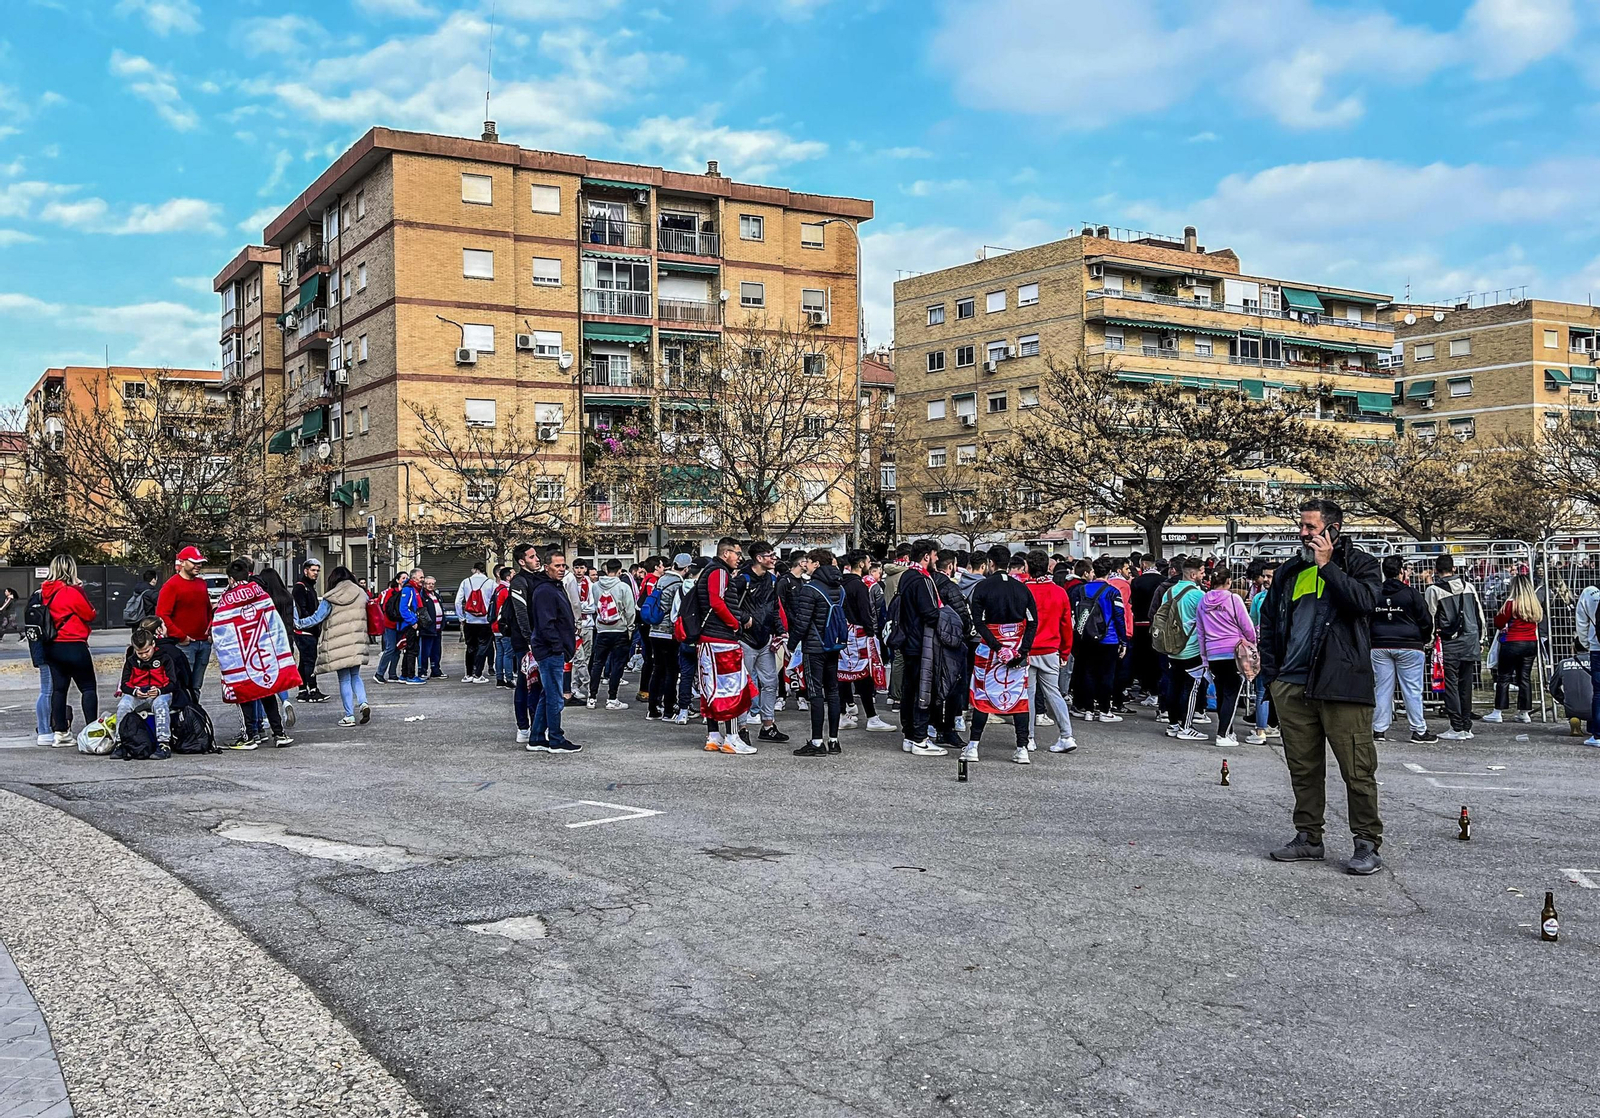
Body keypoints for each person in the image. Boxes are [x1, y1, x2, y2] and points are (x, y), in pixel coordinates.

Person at [1259, 499, 1384, 876]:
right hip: (1293, 686)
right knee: (1303, 768)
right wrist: (1272, 676)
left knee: (1356, 769)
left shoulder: (1360, 565)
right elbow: (1270, 623)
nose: (1303, 534)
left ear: (1333, 530)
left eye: (1311, 528)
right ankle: (1308, 837)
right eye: (1302, 527)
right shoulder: (1289, 572)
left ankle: (1366, 843)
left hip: (1341, 684)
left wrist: (1327, 566)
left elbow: (1363, 603)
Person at [211, 558, 296, 748]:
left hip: (240, 655)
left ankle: (249, 736)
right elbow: (274, 622)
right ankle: (279, 734)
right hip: (262, 653)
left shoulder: (227, 598)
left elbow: (219, 628)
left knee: (245, 694)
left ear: (231, 579)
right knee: (268, 692)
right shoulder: (261, 593)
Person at [967, 543, 1039, 764]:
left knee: (982, 697)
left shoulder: (982, 587)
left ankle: (973, 746)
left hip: (991, 646)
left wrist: (997, 647)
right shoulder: (1022, 588)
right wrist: (1023, 649)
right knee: (1019, 697)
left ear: (990, 563)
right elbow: (1033, 621)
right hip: (1017, 645)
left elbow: (977, 622)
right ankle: (1022, 748)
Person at [505, 544, 580, 754]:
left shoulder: (553, 586)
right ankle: (555, 738)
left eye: (564, 565)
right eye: (557, 565)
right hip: (546, 649)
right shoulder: (543, 589)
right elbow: (543, 622)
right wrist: (557, 647)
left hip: (549, 648)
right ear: (547, 567)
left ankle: (537, 737)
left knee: (547, 694)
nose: (561, 568)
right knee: (553, 696)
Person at [694, 537, 759, 755]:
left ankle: (714, 736)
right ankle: (732, 737)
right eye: (737, 554)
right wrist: (734, 623)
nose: (740, 558)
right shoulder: (719, 572)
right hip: (721, 639)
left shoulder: (709, 571)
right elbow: (717, 601)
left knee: (711, 687)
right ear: (725, 554)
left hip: (708, 639)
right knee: (730, 687)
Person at [1370, 555, 1437, 744]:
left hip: (1379, 644)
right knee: (1412, 689)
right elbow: (1425, 619)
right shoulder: (1411, 593)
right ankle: (1418, 729)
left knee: (1382, 688)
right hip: (1410, 644)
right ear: (1401, 572)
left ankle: (1379, 729)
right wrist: (1423, 639)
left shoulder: (1376, 593)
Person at [295, 565, 371, 727]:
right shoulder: (361, 593)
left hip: (338, 644)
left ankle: (349, 716)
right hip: (357, 641)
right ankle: (363, 703)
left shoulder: (331, 597)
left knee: (344, 679)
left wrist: (299, 624)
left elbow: (317, 618)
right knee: (356, 676)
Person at [789, 548, 847, 756]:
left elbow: (802, 622)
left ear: (816, 564)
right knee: (833, 691)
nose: (806, 565)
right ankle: (834, 740)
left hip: (814, 647)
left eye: (809, 562)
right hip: (834, 645)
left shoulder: (810, 589)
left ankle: (816, 742)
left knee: (815, 693)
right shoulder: (840, 588)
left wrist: (791, 643)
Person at [731, 541, 788, 742]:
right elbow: (727, 602)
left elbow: (773, 607)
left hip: (765, 639)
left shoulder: (772, 580)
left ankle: (768, 725)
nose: (774, 558)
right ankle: (741, 728)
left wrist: (780, 630)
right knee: (744, 685)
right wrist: (743, 617)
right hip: (744, 640)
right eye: (770, 555)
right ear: (759, 558)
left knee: (771, 683)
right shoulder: (742, 579)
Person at [40, 554, 98, 747]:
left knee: (59, 690)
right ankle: (92, 730)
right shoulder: (72, 592)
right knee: (88, 688)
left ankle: (60, 732)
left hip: (53, 646)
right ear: (71, 569)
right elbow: (90, 614)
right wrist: (79, 590)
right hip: (74, 643)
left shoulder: (45, 591)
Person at [1425, 554, 1485, 741]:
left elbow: (1430, 618)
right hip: (1470, 640)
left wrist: (1428, 643)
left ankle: (1456, 726)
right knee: (1466, 685)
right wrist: (1481, 639)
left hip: (1449, 643)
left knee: (1450, 685)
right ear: (1454, 568)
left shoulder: (1434, 590)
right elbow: (1479, 614)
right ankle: (1466, 725)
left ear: (1436, 570)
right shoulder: (1469, 586)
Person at [1195, 566, 1256, 748]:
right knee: (1232, 693)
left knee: (1222, 692)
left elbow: (1200, 632)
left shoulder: (1203, 601)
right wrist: (1252, 643)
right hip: (1233, 652)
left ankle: (1227, 730)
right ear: (1229, 581)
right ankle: (1222, 734)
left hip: (1213, 653)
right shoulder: (1233, 598)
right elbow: (1247, 625)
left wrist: (1204, 657)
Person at [1022, 550, 1076, 756]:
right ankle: (1066, 735)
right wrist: (1065, 652)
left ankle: (1028, 738)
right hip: (1051, 649)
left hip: (1027, 650)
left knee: (1028, 695)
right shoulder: (1059, 592)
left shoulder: (1024, 590)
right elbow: (1066, 626)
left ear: (1028, 567)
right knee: (1054, 693)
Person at [840, 550, 895, 732]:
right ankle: (871, 716)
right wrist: (872, 632)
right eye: (868, 561)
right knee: (864, 676)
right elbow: (866, 612)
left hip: (843, 633)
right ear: (861, 564)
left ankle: (842, 714)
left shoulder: (841, 583)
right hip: (860, 634)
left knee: (843, 676)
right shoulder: (860, 586)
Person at [1073, 555, 1130, 721]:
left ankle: (1088, 709)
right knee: (1106, 675)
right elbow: (1119, 617)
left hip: (1086, 637)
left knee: (1088, 673)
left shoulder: (1081, 590)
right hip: (1108, 637)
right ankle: (1105, 710)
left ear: (1093, 572)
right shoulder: (1113, 592)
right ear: (1110, 572)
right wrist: (1123, 640)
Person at [1157, 557, 1207, 741]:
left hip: (1172, 647)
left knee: (1174, 686)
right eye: (1202, 572)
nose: (1204, 575)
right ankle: (1186, 726)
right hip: (1191, 647)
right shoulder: (1198, 595)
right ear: (1193, 574)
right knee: (1191, 688)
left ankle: (1173, 724)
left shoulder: (1169, 592)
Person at [1485, 573, 1542, 724]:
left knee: (1504, 677)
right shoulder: (1534, 604)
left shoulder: (1511, 603)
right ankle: (1524, 712)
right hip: (1530, 642)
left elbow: (1498, 621)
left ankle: (1498, 712)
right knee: (1524, 678)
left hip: (1512, 642)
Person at [157, 546, 215, 693]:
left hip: (204, 643)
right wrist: (181, 636)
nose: (198, 565)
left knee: (196, 686)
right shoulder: (171, 586)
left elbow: (207, 610)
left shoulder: (201, 583)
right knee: (182, 685)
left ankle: (194, 714)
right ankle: (182, 714)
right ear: (182, 562)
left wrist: (210, 632)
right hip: (184, 645)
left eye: (200, 562)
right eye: (194, 562)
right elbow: (162, 615)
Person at [115, 628, 181, 755]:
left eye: (147, 651)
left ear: (153, 645)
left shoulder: (165, 658)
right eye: (139, 653)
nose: (144, 655)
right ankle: (120, 742)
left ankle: (163, 743)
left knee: (160, 704)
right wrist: (134, 691)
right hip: (138, 694)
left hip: (160, 693)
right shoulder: (131, 661)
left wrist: (159, 690)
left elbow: (173, 683)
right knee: (123, 705)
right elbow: (124, 685)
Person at [586, 559, 636, 710]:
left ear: (606, 569)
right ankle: (612, 698)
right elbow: (630, 609)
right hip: (619, 630)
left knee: (597, 663)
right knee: (617, 665)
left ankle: (592, 697)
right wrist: (630, 627)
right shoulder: (623, 587)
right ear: (620, 570)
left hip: (602, 629)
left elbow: (595, 605)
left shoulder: (595, 586)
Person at [645, 555, 689, 720]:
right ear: (685, 569)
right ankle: (669, 709)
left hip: (654, 629)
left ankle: (653, 708)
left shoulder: (661, 580)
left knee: (658, 669)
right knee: (672, 670)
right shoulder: (678, 584)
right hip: (669, 632)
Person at [1245, 562, 1280, 745]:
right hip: (1265, 649)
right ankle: (1263, 729)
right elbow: (1252, 624)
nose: (1265, 579)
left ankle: (1261, 732)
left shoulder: (1263, 598)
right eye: (1264, 576)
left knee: (1264, 691)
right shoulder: (1260, 597)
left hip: (1276, 649)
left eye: (1269, 576)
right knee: (1264, 691)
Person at [291, 559, 330, 704]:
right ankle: (312, 690)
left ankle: (302, 691)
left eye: (317, 571)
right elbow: (302, 610)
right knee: (310, 661)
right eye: (313, 570)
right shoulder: (301, 587)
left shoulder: (309, 587)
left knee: (304, 661)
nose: (316, 573)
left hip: (308, 630)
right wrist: (312, 621)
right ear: (305, 570)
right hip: (305, 630)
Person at [456, 561, 497, 683]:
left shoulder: (465, 582)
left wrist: (461, 617)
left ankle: (468, 674)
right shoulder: (491, 583)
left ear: (474, 569)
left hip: (469, 620)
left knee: (470, 647)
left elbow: (458, 602)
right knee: (483, 647)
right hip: (485, 621)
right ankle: (478, 674)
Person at [1550, 641, 1596, 741]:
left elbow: (1553, 687)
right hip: (1594, 708)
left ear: (1573, 648)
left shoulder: (1563, 663)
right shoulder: (1597, 662)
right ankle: (1594, 727)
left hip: (1571, 708)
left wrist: (1564, 701)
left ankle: (1575, 719)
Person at [1578, 577, 1600, 748]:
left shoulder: (1589, 593)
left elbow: (1581, 621)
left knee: (1599, 691)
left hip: (1597, 646)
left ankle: (1597, 733)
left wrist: (1586, 642)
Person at [396, 568, 426, 685]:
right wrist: (413, 622)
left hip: (411, 624)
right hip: (409, 625)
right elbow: (403, 608)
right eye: (421, 577)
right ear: (414, 578)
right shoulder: (409, 589)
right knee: (412, 650)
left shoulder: (415, 589)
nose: (422, 579)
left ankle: (404, 675)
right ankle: (411, 676)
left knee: (409, 649)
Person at [374, 577, 403, 683]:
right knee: (390, 648)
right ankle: (379, 673)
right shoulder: (390, 592)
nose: (405, 580)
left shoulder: (406, 592)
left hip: (400, 625)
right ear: (398, 580)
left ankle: (392, 674)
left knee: (397, 649)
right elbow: (385, 607)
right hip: (390, 624)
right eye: (403, 578)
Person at [419, 575, 445, 679]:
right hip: (428, 629)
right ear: (424, 584)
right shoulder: (422, 596)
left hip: (438, 629)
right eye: (429, 583)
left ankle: (436, 670)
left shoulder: (436, 595)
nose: (431, 586)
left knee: (436, 651)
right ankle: (423, 670)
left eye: (432, 584)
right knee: (425, 651)